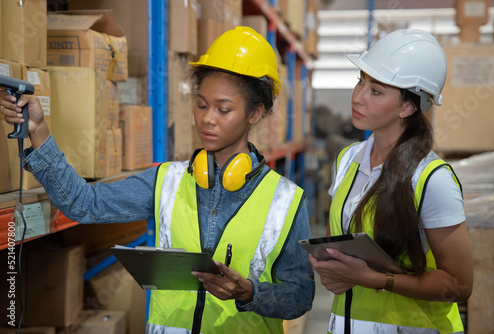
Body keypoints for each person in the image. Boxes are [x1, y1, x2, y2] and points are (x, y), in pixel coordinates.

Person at [1, 26, 315, 333]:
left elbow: (300, 295)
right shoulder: (168, 180)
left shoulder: (285, 200)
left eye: (224, 109)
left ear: (255, 113)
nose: (207, 118)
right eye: (202, 104)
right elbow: (83, 204)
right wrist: (39, 131)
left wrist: (248, 292)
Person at [309, 29, 474, 333]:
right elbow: (340, 245)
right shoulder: (347, 159)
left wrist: (374, 279)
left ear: (407, 106)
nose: (357, 97)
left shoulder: (431, 179)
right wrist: (330, 269)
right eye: (361, 81)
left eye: (376, 91)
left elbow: (459, 286)